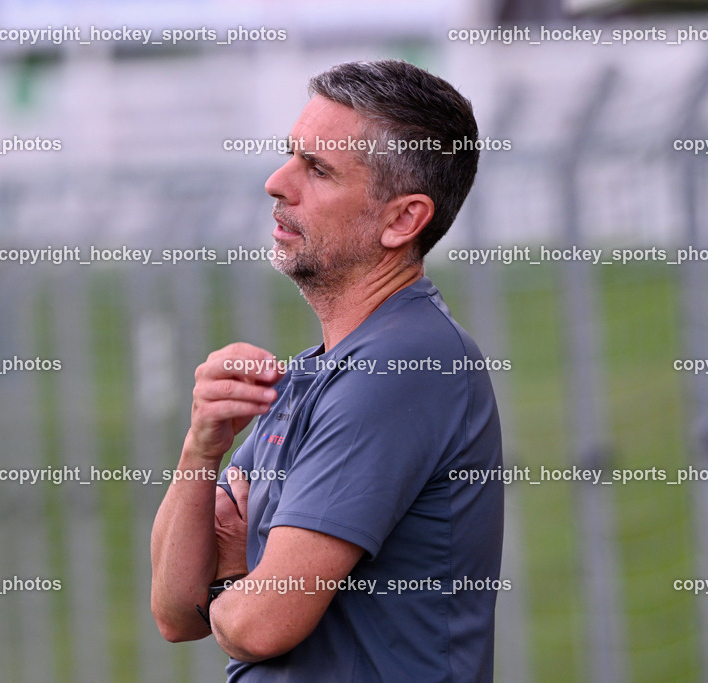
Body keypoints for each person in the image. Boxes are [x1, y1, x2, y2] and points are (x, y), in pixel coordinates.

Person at [151, 59, 504, 681]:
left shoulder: (404, 366)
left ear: (402, 220)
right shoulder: (321, 372)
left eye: (317, 169)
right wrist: (202, 449)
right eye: (292, 155)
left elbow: (259, 626)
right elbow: (177, 613)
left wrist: (234, 575)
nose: (276, 182)